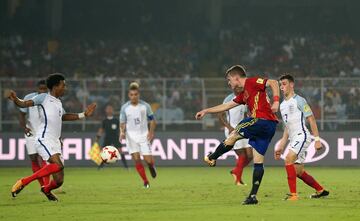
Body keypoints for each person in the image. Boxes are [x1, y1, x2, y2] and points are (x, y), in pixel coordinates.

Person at [195, 65, 279, 205]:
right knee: (258, 161)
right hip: (269, 127)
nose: (229, 83)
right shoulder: (243, 94)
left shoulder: (252, 82)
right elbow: (226, 106)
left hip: (259, 120)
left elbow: (273, 82)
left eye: (229, 80)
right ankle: (252, 196)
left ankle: (212, 157)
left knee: (233, 134)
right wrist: (206, 111)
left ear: (236, 78)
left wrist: (276, 101)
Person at [8, 73, 96, 201]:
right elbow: (24, 104)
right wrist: (16, 99)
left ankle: (46, 190)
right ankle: (24, 181)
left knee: (59, 181)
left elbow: (63, 117)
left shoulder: (58, 103)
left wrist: (84, 114)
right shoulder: (43, 97)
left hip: (55, 141)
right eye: (63, 85)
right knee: (58, 165)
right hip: (44, 138)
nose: (65, 88)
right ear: (55, 86)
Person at [275, 74, 329, 200]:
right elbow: (287, 128)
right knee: (298, 171)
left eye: (284, 84)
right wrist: (281, 145)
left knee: (288, 159)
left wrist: (317, 140)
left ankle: (293, 195)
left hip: (303, 135)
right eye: (280, 85)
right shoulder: (282, 105)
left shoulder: (299, 100)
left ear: (291, 85)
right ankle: (320, 190)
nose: (282, 87)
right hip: (294, 138)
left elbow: (311, 119)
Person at [119, 82, 157, 188]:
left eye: (135, 94)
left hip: (143, 136)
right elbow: (122, 123)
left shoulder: (145, 106)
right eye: (131, 95)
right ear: (129, 95)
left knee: (148, 160)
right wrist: (122, 132)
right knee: (136, 159)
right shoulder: (124, 108)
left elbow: (153, 120)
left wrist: (151, 132)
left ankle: (151, 166)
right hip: (130, 137)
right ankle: (145, 181)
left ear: (138, 95)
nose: (133, 96)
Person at [217, 87, 252, 186]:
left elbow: (246, 113)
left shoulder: (245, 98)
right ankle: (238, 180)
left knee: (250, 155)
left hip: (243, 129)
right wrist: (229, 127)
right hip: (232, 130)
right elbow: (220, 114)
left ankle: (236, 171)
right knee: (242, 155)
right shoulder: (229, 99)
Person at [18, 80, 50, 188]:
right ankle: (42, 186)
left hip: (44, 133)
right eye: (41, 88)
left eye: (45, 89)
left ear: (48, 89)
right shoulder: (29, 97)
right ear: (37, 89)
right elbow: (22, 113)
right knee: (33, 158)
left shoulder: (51, 99)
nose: (42, 91)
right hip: (31, 132)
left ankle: (46, 186)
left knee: (44, 158)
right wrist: (24, 127)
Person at [97, 104, 128, 169]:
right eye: (108, 109)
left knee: (120, 151)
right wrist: (98, 136)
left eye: (111, 109)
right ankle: (101, 166)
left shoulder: (116, 120)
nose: (109, 110)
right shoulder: (104, 121)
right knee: (104, 152)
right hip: (107, 138)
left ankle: (126, 166)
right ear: (106, 111)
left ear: (113, 111)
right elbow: (101, 129)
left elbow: (121, 128)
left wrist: (123, 134)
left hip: (115, 138)